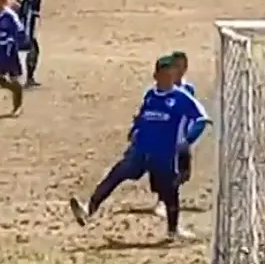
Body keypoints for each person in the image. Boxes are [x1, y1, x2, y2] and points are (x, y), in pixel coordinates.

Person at [69, 55, 211, 241]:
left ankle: (173, 230)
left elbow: (202, 119)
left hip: (164, 155)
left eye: (171, 73)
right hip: (140, 151)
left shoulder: (181, 97)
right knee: (116, 175)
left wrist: (187, 140)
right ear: (156, 75)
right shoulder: (151, 96)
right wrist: (135, 130)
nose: (168, 77)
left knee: (170, 191)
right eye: (164, 73)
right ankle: (89, 209)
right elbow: (142, 116)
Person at [153, 50, 195, 218]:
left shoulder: (188, 89)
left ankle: (168, 198)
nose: (179, 69)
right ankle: (162, 201)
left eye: (182, 66)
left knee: (183, 174)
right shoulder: (161, 89)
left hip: (182, 139)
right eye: (176, 66)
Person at [0, 0, 24, 115]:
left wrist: (12, 41)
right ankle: (15, 90)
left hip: (10, 50)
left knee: (14, 77)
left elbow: (20, 29)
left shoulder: (10, 15)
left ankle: (17, 106)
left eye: (0, 1)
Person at [15, 0, 47, 87]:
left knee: (33, 52)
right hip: (23, 29)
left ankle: (29, 77)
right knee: (27, 52)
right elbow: (16, 6)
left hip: (31, 29)